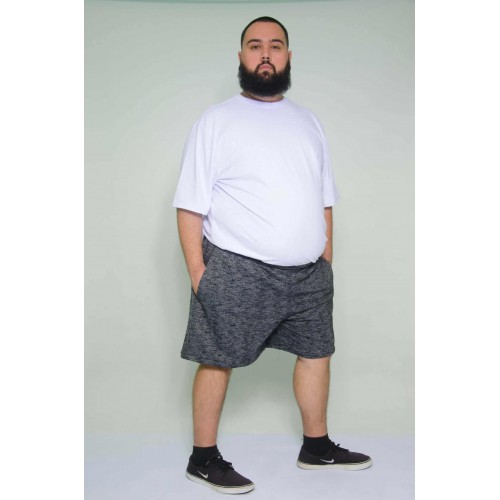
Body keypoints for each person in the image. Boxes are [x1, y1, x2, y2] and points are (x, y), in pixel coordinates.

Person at [173, 16, 372, 495]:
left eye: (275, 46)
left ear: (288, 56)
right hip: (238, 268)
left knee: (316, 352)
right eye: (255, 45)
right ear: (241, 56)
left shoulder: (308, 121)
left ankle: (316, 447)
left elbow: (324, 196)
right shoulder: (216, 121)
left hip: (308, 274)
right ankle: (203, 458)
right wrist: (199, 274)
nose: (265, 54)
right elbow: (189, 203)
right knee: (217, 358)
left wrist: (326, 256)